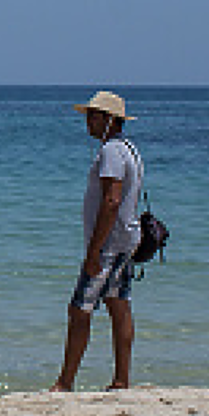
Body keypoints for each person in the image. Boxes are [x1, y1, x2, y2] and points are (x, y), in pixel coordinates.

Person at [52, 90, 144, 393]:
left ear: (110, 120)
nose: (88, 122)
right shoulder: (129, 149)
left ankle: (65, 382)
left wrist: (94, 250)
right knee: (119, 305)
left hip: (109, 244)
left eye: (94, 116)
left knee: (79, 310)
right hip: (125, 240)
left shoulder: (111, 153)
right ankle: (121, 380)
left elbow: (111, 201)